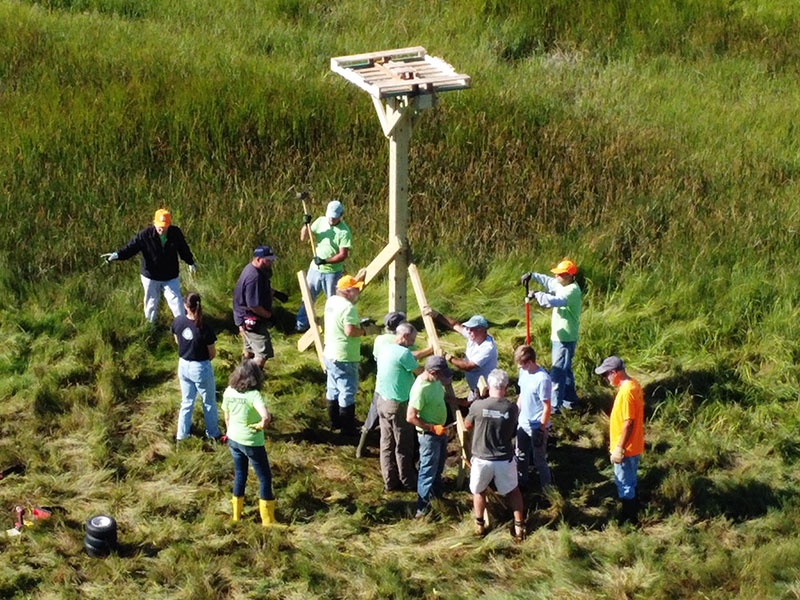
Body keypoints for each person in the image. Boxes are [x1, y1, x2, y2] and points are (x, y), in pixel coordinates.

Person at [356, 312, 432, 458]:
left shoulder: (380, 340)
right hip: (397, 390)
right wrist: (429, 350)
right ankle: (408, 456)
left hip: (381, 385)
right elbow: (410, 358)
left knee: (372, 417)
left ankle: (361, 448)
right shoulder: (403, 344)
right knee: (401, 426)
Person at [103, 209, 196, 323]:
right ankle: (150, 328)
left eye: (165, 226)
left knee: (176, 302)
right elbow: (130, 248)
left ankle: (183, 327)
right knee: (151, 303)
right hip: (151, 276)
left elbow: (183, 249)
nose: (162, 229)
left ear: (169, 224)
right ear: (154, 223)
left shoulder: (175, 233)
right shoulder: (145, 235)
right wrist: (117, 255)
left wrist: (190, 262)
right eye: (159, 226)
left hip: (170, 276)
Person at [464, 369, 524, 540]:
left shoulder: (477, 406)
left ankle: (480, 525)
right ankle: (519, 526)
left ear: (489, 386)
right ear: (505, 387)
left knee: (479, 491)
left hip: (482, 459)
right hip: (504, 458)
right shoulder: (511, 409)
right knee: (513, 491)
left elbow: (467, 425)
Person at [521, 259, 582, 413]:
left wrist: (537, 294)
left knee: (558, 371)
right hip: (560, 335)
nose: (556, 277)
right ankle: (570, 400)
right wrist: (533, 275)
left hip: (565, 337)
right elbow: (549, 282)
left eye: (559, 274)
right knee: (565, 369)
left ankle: (554, 406)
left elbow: (554, 301)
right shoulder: (562, 284)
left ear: (569, 276)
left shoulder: (572, 291)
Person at [222, 359, 276, 527]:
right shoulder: (254, 395)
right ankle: (268, 520)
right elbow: (266, 416)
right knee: (265, 477)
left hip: (233, 439)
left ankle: (236, 516)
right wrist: (261, 426)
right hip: (251, 442)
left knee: (240, 474)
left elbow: (226, 416)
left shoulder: (229, 391)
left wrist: (231, 432)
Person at [595, 355, 644, 523]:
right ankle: (635, 510)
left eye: (605, 374)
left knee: (624, 484)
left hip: (626, 449)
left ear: (614, 373)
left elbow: (628, 422)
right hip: (635, 445)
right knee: (631, 481)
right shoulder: (635, 384)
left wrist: (619, 448)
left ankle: (629, 519)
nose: (605, 378)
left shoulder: (626, 392)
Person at [375, 322, 424, 492]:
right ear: (404, 336)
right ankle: (408, 481)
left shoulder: (385, 349)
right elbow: (420, 372)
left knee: (386, 444)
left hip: (382, 401)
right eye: (412, 339)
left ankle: (390, 481)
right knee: (403, 445)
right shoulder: (404, 354)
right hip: (398, 404)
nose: (413, 342)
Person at [323, 274, 372, 437]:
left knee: (333, 387)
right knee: (347, 391)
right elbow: (349, 331)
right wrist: (364, 331)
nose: (358, 292)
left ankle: (334, 421)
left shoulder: (331, 301)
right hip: (344, 356)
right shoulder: (348, 308)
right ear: (348, 291)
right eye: (356, 289)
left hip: (329, 353)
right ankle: (347, 429)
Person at [295, 200, 353, 332]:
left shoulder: (344, 232)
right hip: (315, 270)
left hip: (332, 273)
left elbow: (343, 255)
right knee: (307, 298)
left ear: (341, 215)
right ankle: (301, 326)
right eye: (330, 216)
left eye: (334, 217)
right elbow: (303, 238)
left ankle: (333, 328)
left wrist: (325, 261)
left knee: (333, 302)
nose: (331, 219)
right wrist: (306, 225)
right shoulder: (321, 221)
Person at [406, 355, 453, 517]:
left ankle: (437, 496)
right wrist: (432, 428)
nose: (443, 378)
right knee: (427, 470)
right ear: (433, 372)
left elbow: (441, 397)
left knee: (438, 467)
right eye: (441, 374)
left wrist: (461, 402)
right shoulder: (421, 389)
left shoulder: (435, 382)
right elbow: (410, 417)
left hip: (439, 433)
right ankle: (422, 508)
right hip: (429, 436)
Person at [171, 292, 220, 442]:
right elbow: (212, 353)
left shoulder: (178, 322)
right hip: (200, 367)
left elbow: (177, 340)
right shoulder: (205, 327)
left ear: (185, 306)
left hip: (183, 365)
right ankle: (213, 434)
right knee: (209, 402)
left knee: (186, 402)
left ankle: (182, 436)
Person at [425, 310, 497, 397]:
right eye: (468, 328)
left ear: (481, 329)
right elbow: (454, 325)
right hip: (474, 388)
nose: (469, 331)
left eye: (472, 329)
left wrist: (447, 357)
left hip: (484, 391)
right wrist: (436, 315)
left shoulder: (487, 348)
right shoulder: (473, 336)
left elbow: (468, 366)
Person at [513, 345, 552, 490]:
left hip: (537, 425)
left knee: (539, 459)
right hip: (523, 423)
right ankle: (522, 482)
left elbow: (547, 406)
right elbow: (522, 395)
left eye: (521, 364)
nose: (519, 367)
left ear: (530, 362)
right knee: (520, 455)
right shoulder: (523, 373)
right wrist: (515, 414)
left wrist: (541, 429)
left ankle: (547, 488)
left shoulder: (543, 379)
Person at [233, 246, 278, 369]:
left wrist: (274, 293)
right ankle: (252, 378)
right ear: (258, 259)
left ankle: (242, 371)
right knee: (263, 353)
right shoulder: (254, 277)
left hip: (242, 316)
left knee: (249, 350)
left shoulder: (252, 269)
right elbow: (253, 305)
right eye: (268, 260)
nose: (271, 263)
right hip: (251, 319)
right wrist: (269, 316)